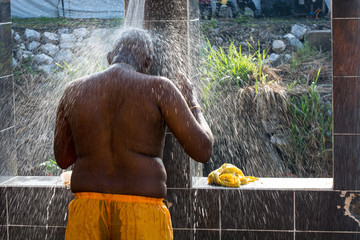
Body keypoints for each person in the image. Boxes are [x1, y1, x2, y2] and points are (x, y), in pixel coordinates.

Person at [54, 28, 214, 240]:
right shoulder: (160, 88)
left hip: (87, 212)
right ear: (148, 62)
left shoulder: (73, 90)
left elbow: (63, 159)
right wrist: (192, 101)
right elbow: (203, 150)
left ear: (109, 57)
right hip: (142, 214)